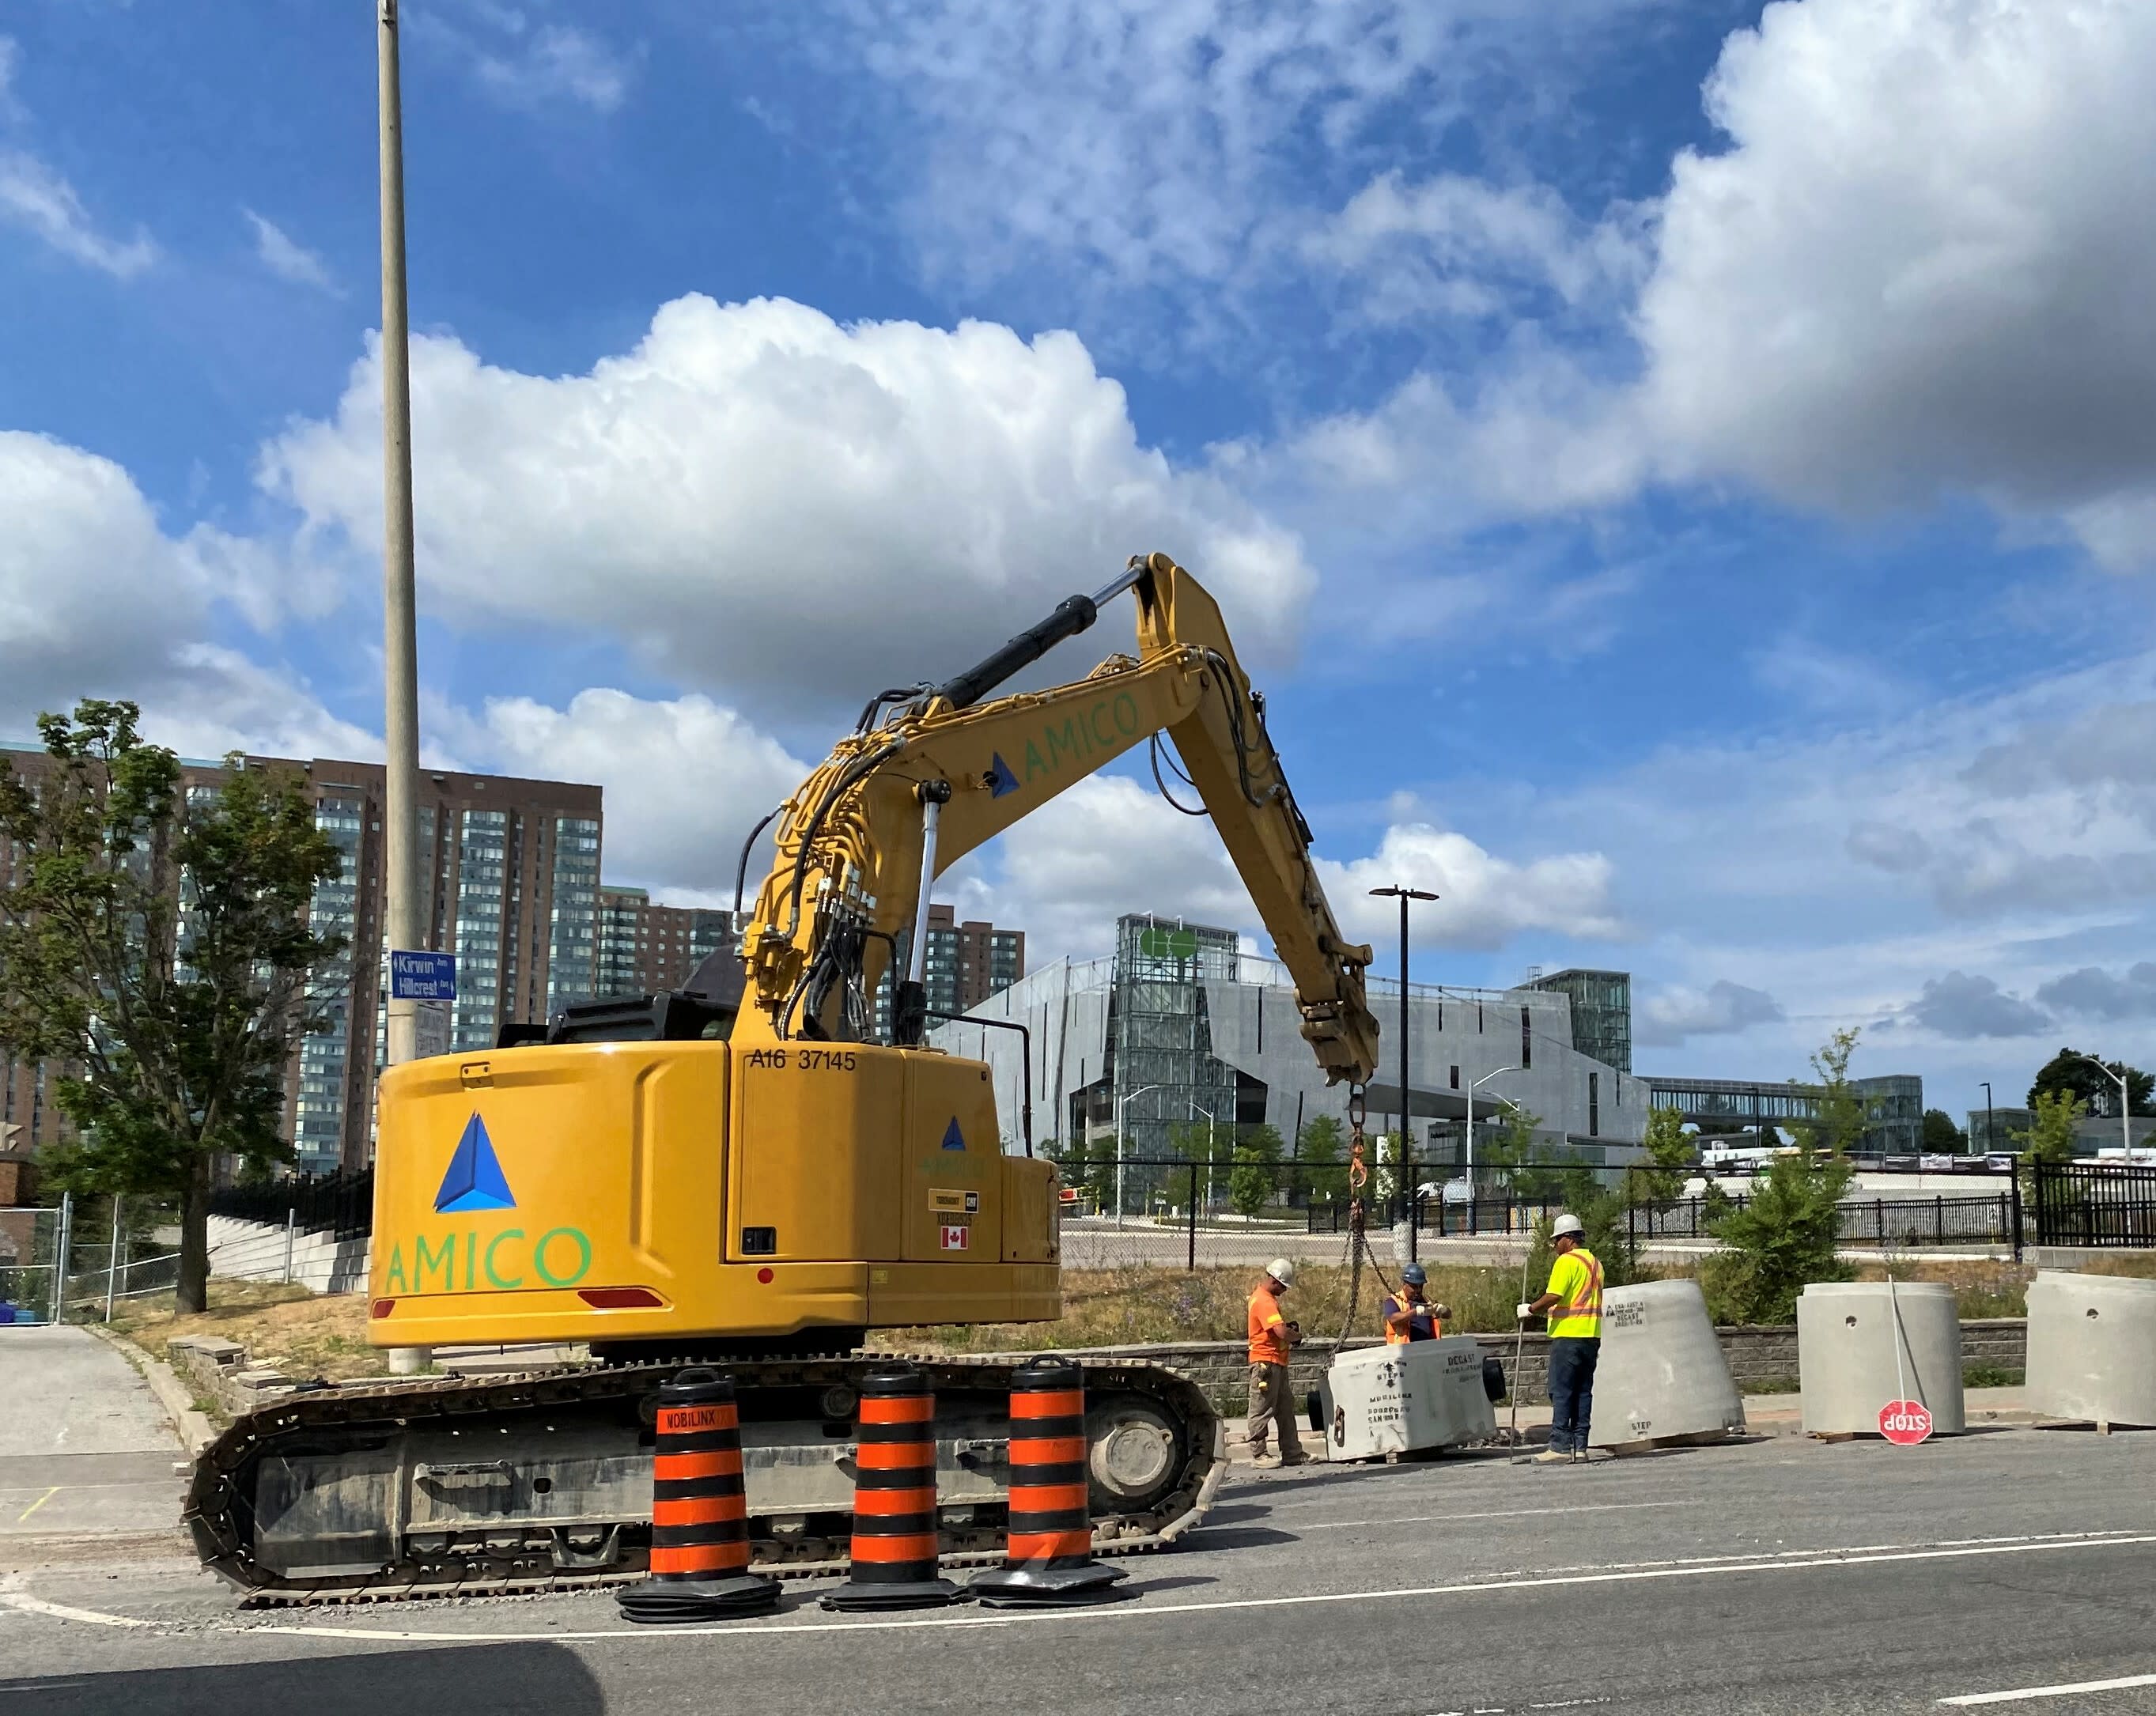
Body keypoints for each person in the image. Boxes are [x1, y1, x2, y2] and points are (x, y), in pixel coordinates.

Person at [1518, 1211, 1603, 1464]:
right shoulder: (1595, 1263)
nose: (1555, 1246)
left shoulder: (1566, 1262)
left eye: (1556, 1241)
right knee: (1583, 1392)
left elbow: (1554, 1295)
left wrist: (1530, 1309)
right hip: (1591, 1336)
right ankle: (1580, 1446)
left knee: (1561, 1390)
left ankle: (1559, 1446)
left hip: (1568, 1336)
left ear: (1567, 1239)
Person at [1246, 1257, 1307, 1466]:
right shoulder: (1264, 1300)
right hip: (1266, 1363)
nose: (1284, 1291)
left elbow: (1276, 1328)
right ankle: (1259, 1454)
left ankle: (1292, 1452)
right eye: (1283, 1286)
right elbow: (1279, 1331)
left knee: (1285, 1409)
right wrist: (1296, 1337)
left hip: (1275, 1363)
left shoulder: (1265, 1299)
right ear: (1275, 1281)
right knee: (1261, 1409)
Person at [1381, 1262, 1446, 1344]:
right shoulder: (1393, 1301)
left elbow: (1447, 1315)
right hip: (1403, 1352)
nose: (1418, 1290)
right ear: (1404, 1284)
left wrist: (1443, 1311)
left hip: (1429, 1349)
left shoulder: (1427, 1301)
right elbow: (1393, 1319)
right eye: (1414, 1287)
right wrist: (1416, 1312)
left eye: (1420, 1286)